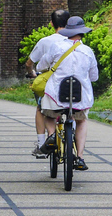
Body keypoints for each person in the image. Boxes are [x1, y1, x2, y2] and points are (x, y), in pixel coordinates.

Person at [38, 16, 98, 170]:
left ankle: (51, 135)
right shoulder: (88, 51)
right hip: (80, 97)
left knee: (47, 113)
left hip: (56, 94)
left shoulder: (56, 47)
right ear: (82, 33)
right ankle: (80, 157)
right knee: (81, 121)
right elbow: (94, 77)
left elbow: (40, 66)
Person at [24, 9, 70, 157]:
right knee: (72, 110)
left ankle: (42, 143)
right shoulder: (75, 41)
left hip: (49, 84)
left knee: (41, 108)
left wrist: (32, 73)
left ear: (51, 23)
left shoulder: (45, 42)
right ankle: (72, 140)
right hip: (71, 84)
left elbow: (29, 63)